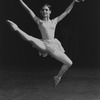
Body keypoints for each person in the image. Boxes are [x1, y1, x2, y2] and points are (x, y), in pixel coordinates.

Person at [7, 0, 84, 87]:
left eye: (46, 10)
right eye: (43, 10)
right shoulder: (39, 21)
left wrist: (73, 1)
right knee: (30, 39)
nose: (44, 11)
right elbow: (29, 10)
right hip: (43, 44)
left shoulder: (54, 21)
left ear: (50, 12)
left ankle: (58, 77)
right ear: (40, 12)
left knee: (69, 63)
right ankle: (16, 28)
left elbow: (67, 12)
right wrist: (20, 1)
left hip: (53, 46)